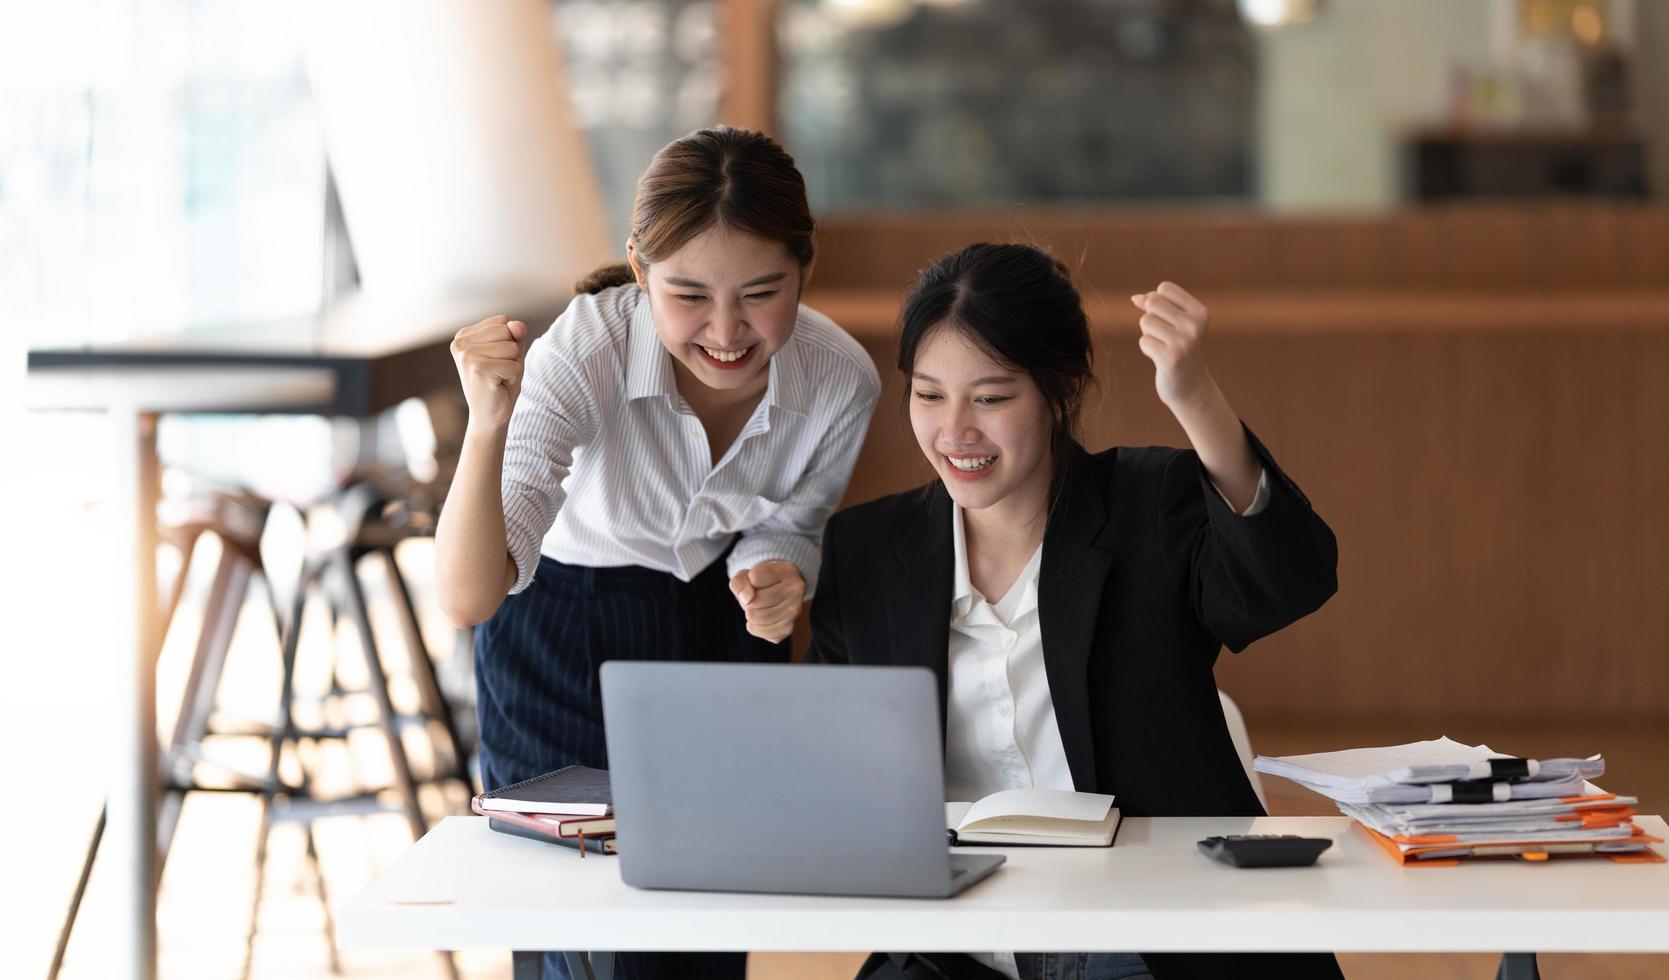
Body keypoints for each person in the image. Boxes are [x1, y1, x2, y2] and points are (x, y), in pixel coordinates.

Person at [808, 243, 1342, 980]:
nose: (954, 432)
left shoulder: (1146, 506)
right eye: (928, 395)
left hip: (1150, 940)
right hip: (960, 950)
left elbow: (1292, 579)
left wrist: (1196, 399)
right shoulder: (868, 551)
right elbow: (832, 775)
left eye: (990, 398)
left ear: (1059, 391)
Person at [436, 126, 880, 980]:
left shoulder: (840, 378)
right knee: (574, 935)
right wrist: (488, 422)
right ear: (639, 272)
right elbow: (466, 597)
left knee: (703, 930)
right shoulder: (586, 350)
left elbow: (795, 517)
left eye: (760, 293)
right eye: (688, 295)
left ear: (805, 270)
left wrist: (780, 571)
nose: (725, 330)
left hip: (722, 629)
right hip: (561, 624)